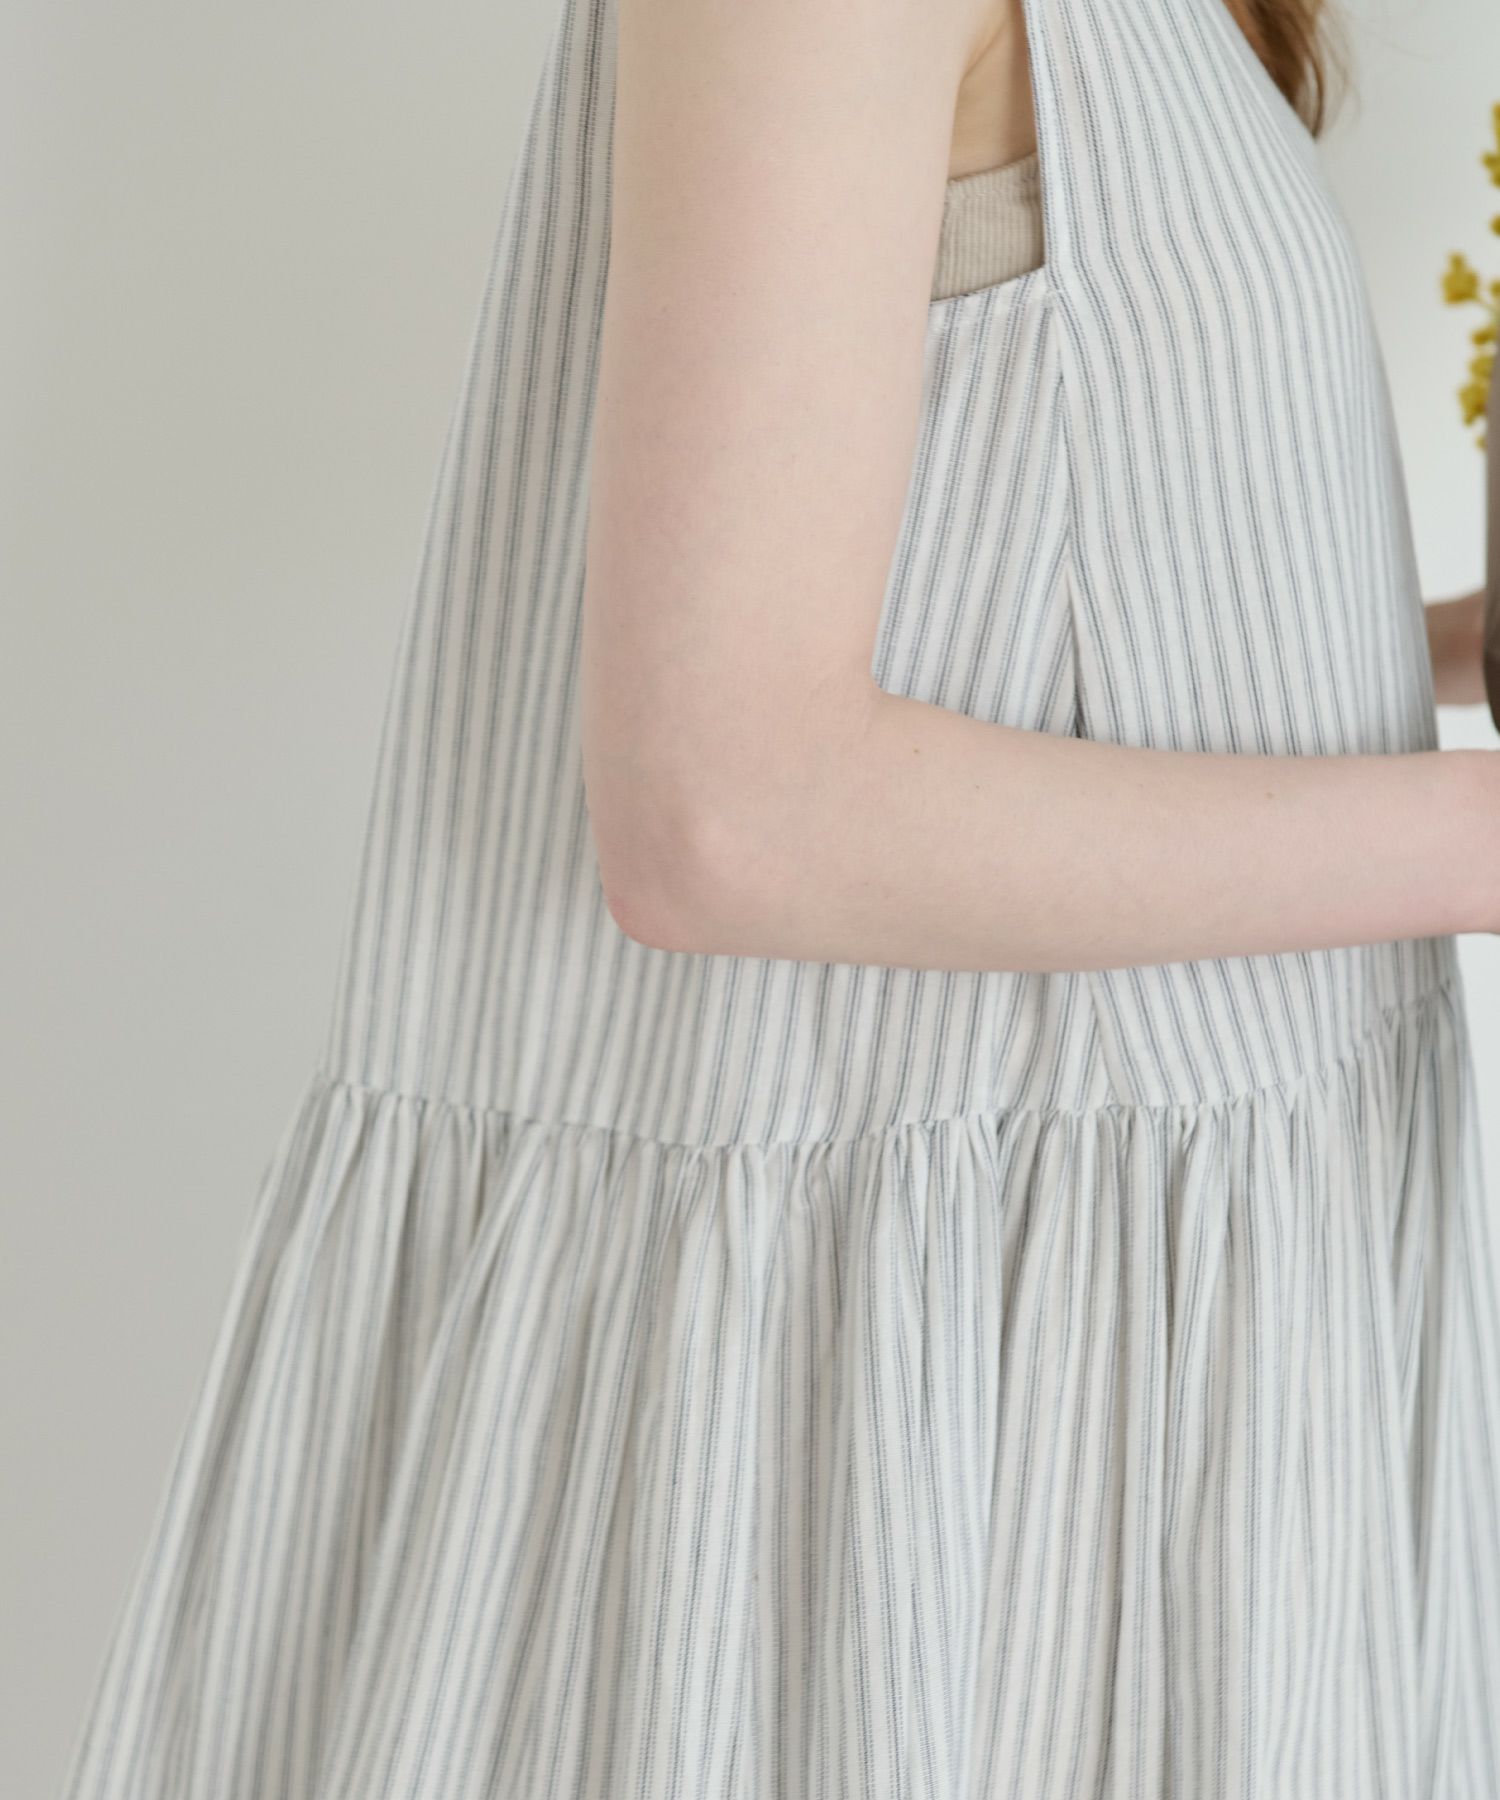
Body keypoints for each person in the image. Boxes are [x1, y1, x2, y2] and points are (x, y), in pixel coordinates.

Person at [60, 0, 1500, 1795]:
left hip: (1162, 1349)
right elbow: (726, 806)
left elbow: (1070, 584)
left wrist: (1443, 644)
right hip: (900, 1443)